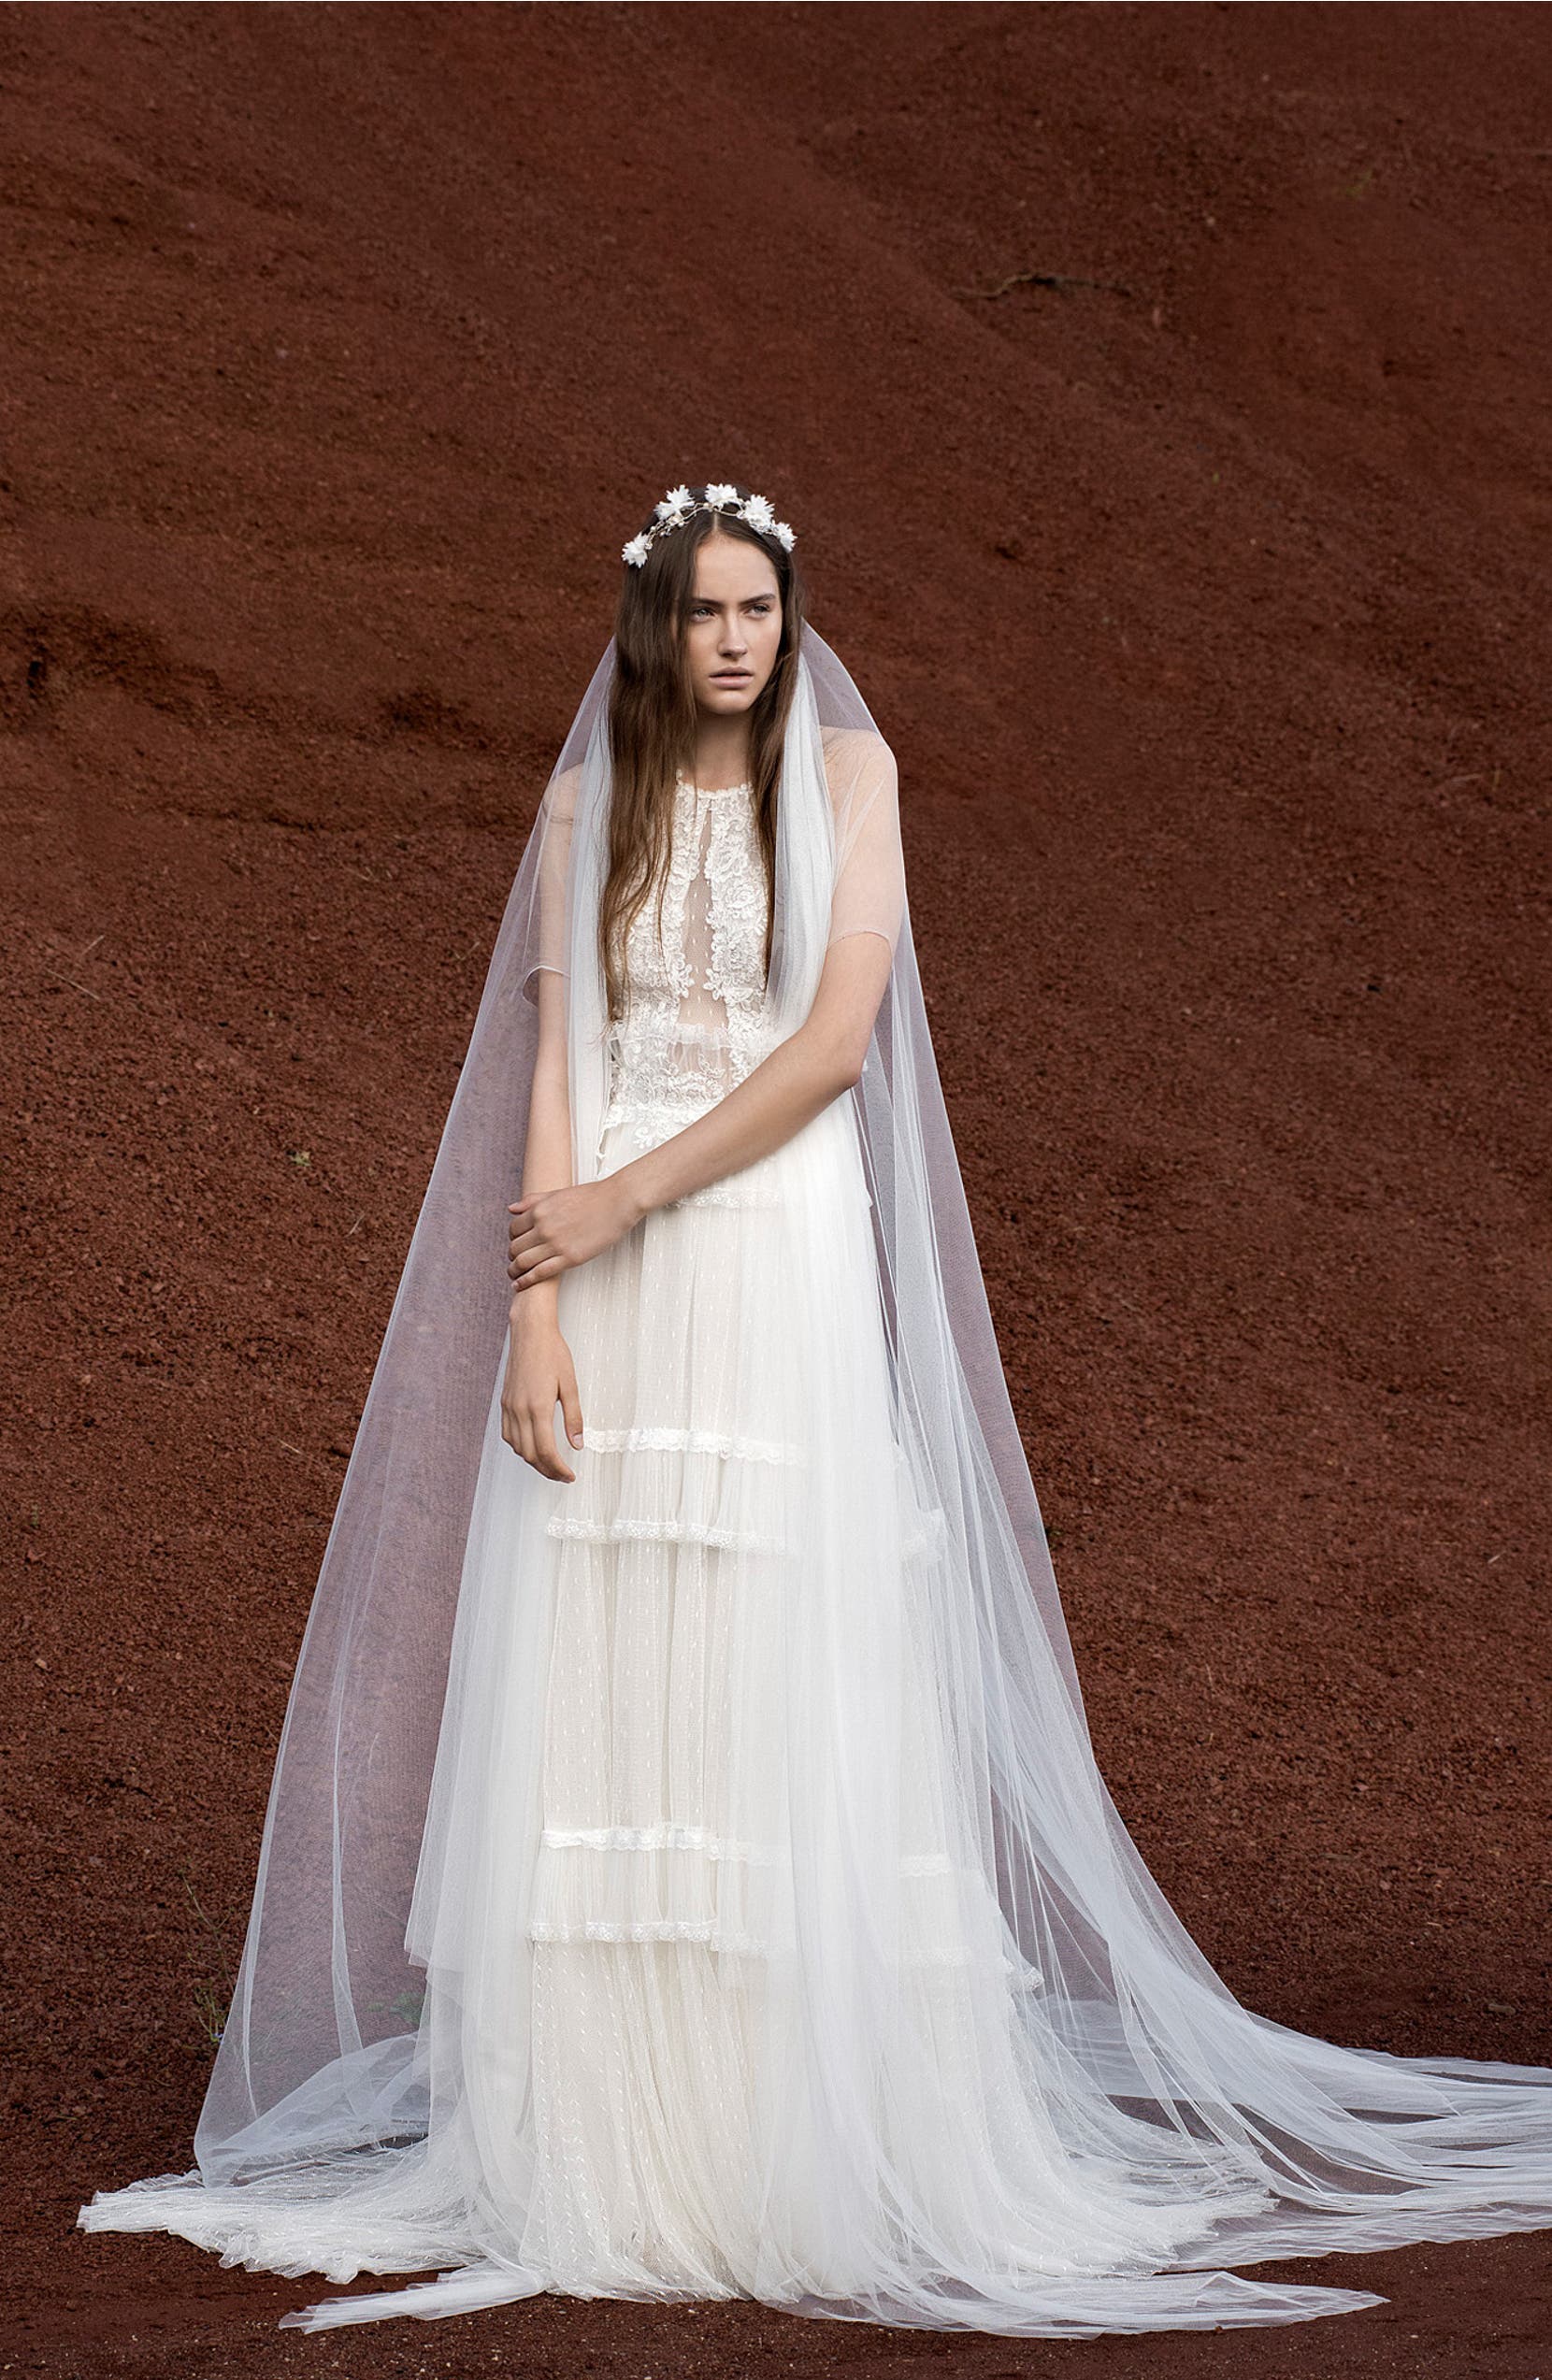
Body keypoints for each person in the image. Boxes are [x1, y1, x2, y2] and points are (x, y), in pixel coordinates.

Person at [79, 483, 1552, 2339]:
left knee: (779, 1656)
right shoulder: (579, 802)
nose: (731, 640)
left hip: (764, 1260)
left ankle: (792, 2139)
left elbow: (832, 1047)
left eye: (757, 609)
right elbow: (556, 1060)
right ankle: (613, 2148)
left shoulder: (850, 787)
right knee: (606, 1676)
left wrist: (629, 1197)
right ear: (651, 626)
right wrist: (537, 1306)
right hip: (609, 1264)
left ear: (786, 619)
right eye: (700, 611)